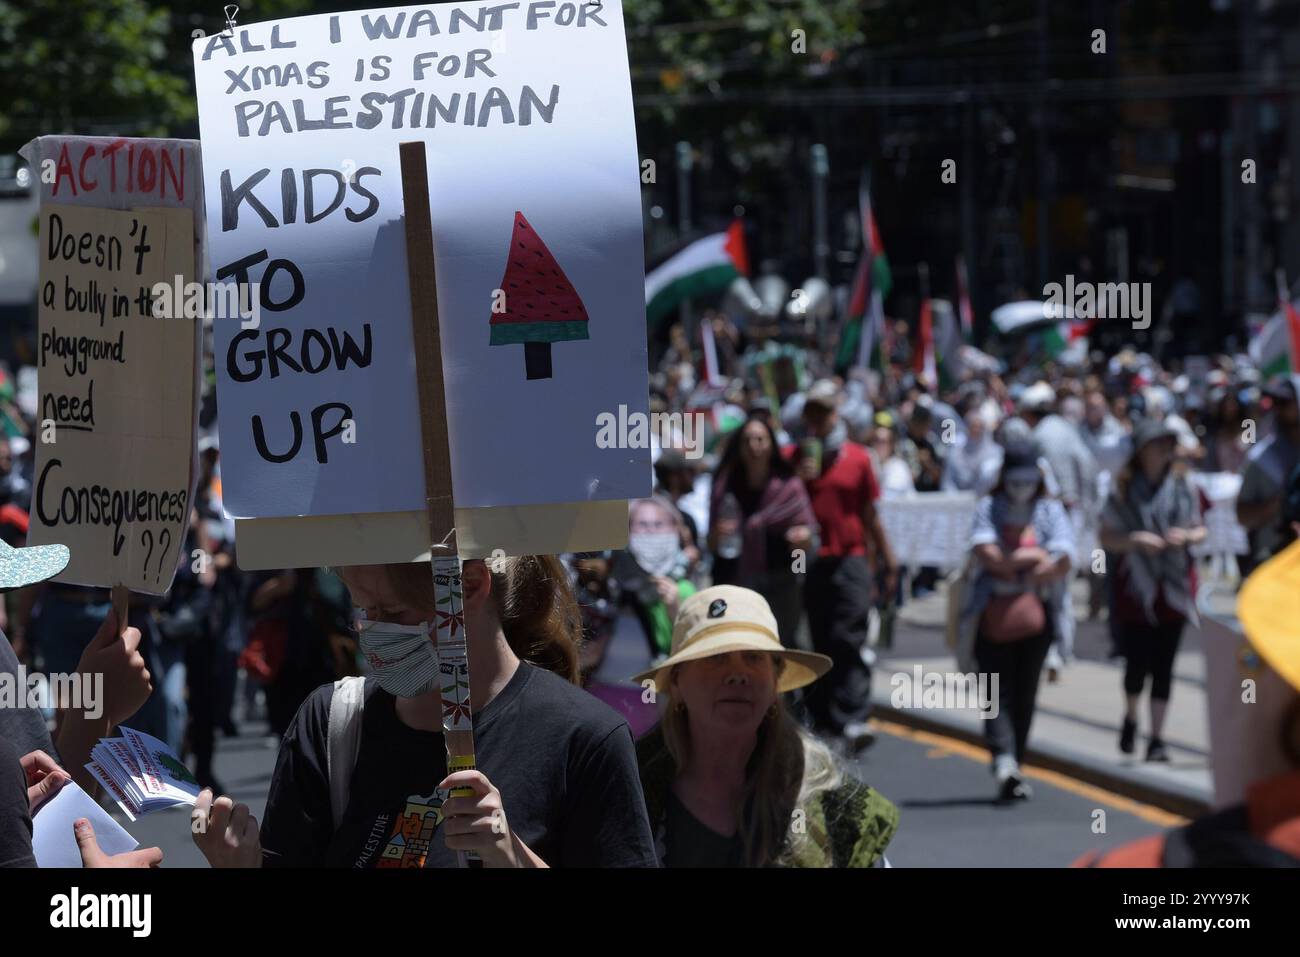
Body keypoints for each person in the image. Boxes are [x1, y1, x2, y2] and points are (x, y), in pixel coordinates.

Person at [192, 556, 658, 868]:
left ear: (469, 585)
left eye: (392, 612)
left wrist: (511, 856)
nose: (372, 633)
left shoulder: (584, 738)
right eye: (363, 610)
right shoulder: (332, 723)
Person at [633, 585, 898, 867]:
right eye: (715, 657)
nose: (737, 674)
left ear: (776, 682)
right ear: (676, 682)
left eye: (753, 657)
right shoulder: (628, 785)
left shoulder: (832, 801)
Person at [956, 440, 1075, 801]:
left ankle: (1014, 763)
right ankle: (1002, 757)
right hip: (990, 615)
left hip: (1037, 619)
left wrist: (1025, 562)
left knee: (1025, 692)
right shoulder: (988, 507)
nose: (1021, 487)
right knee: (994, 690)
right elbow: (988, 553)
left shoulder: (1050, 511)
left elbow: (1063, 558)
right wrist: (1029, 557)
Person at [793, 380, 898, 751]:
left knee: (849, 636)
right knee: (819, 640)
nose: (819, 420)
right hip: (811, 563)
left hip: (851, 558)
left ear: (836, 414)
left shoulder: (858, 458)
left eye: (825, 412)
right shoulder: (796, 456)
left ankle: (854, 717)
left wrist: (888, 558)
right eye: (813, 413)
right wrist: (798, 477)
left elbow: (870, 513)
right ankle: (824, 719)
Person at [1100, 420, 1207, 762]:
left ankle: (1157, 738)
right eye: (1157, 444)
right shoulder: (1123, 489)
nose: (1164, 450)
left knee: (1165, 665)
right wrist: (1134, 540)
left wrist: (1186, 537)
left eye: (1167, 444)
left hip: (1174, 585)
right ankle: (1132, 716)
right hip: (1136, 587)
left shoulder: (1184, 484)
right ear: (1142, 450)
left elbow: (1201, 528)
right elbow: (1106, 536)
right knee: (1136, 663)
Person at [709, 414, 816, 645]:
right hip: (735, 585)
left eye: (760, 439)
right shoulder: (724, 486)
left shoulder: (790, 487)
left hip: (782, 587)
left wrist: (800, 551)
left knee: (780, 646)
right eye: (747, 440)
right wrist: (717, 535)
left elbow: (805, 550)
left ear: (771, 445)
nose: (753, 446)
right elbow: (710, 545)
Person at [1237, 377, 1300, 575]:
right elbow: (1242, 515)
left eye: (1286, 402)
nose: (1278, 409)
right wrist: (1279, 504)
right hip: (1275, 564)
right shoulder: (1260, 459)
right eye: (1275, 403)